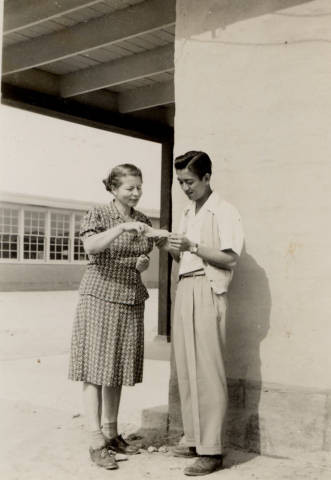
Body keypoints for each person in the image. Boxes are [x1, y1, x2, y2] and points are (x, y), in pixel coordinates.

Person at [157, 151, 244, 476]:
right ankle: (194, 440)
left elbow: (230, 258)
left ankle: (213, 450)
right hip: (186, 288)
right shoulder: (187, 212)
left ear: (207, 178)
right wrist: (173, 248)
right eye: (180, 182)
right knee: (187, 367)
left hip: (208, 290)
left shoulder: (224, 211)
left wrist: (192, 246)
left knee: (207, 370)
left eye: (189, 181)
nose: (185, 187)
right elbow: (188, 258)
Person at [68, 163, 153, 470]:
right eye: (130, 188)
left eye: (139, 187)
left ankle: (112, 433)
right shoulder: (98, 214)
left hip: (130, 297)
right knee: (94, 368)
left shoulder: (143, 220)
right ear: (114, 189)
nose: (136, 192)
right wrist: (120, 227)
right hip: (99, 296)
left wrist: (142, 262)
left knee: (115, 367)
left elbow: (143, 253)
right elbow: (91, 246)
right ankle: (95, 440)